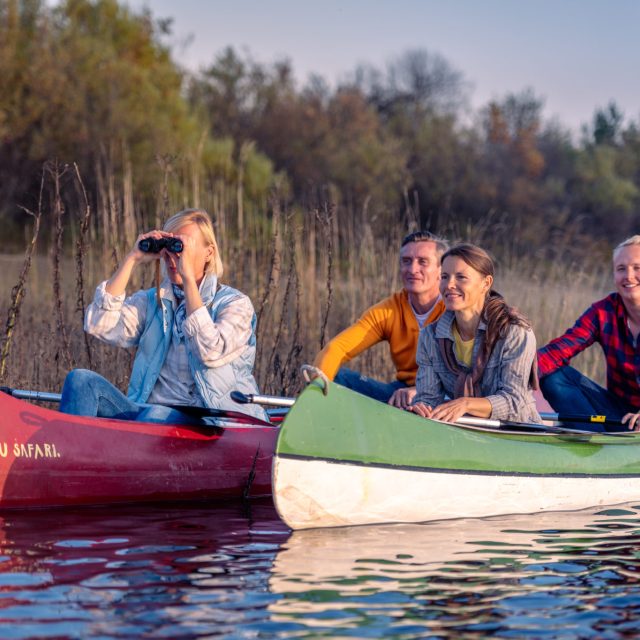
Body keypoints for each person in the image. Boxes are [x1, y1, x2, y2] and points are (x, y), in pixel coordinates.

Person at [59, 208, 267, 422]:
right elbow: (99, 325)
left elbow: (209, 351)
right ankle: (70, 452)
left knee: (155, 414)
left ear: (209, 253)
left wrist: (187, 280)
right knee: (80, 381)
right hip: (148, 414)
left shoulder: (235, 304)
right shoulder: (153, 302)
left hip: (209, 421)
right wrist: (132, 259)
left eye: (182, 247)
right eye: (169, 247)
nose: (173, 256)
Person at [312, 230, 448, 408]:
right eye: (406, 261)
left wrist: (424, 392)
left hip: (447, 395)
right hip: (402, 392)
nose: (413, 269)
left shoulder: (454, 307)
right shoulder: (389, 310)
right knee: (337, 377)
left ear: (441, 270)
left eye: (423, 262)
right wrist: (315, 389)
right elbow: (337, 348)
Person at [411, 243, 540, 424]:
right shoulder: (429, 337)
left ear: (485, 283)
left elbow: (515, 403)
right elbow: (428, 398)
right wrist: (422, 408)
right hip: (462, 433)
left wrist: (466, 404)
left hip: (517, 436)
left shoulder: (515, 332)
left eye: (461, 277)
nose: (449, 285)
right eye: (445, 277)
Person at [537, 234, 640, 432]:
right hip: (619, 416)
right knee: (554, 376)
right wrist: (508, 374)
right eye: (621, 269)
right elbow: (558, 350)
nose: (628, 276)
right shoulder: (603, 311)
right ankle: (596, 447)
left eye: (637, 268)